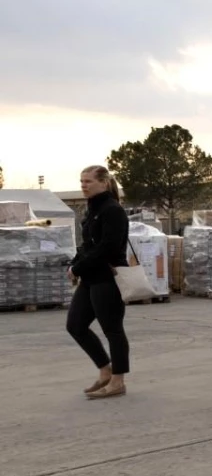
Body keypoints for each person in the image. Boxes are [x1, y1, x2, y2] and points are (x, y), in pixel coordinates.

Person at [68, 165, 131, 399]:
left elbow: (108, 247)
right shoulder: (91, 210)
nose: (83, 185)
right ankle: (105, 370)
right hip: (90, 277)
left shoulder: (112, 210)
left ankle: (118, 381)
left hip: (108, 278)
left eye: (88, 181)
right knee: (75, 325)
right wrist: (75, 264)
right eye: (81, 181)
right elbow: (88, 245)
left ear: (104, 183)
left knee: (112, 330)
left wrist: (79, 266)